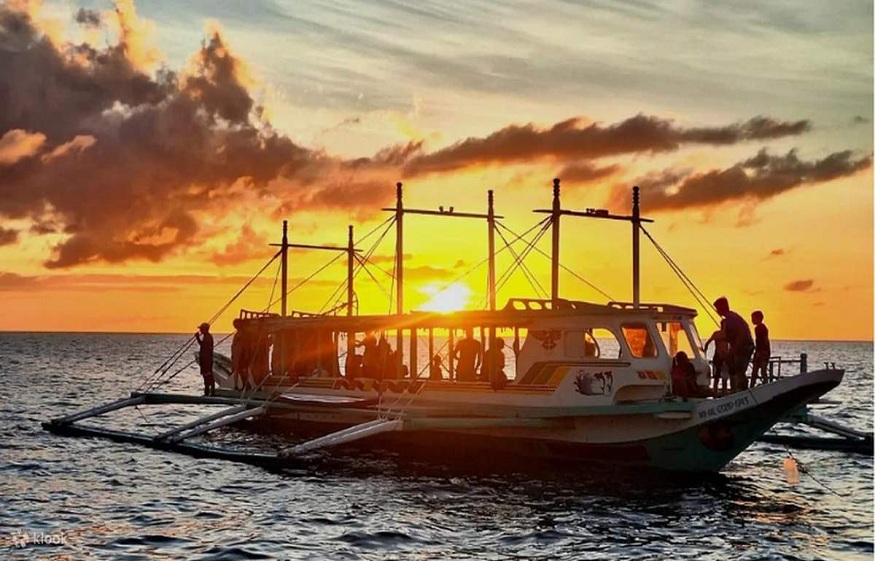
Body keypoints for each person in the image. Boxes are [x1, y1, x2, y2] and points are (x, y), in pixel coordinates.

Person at [713, 297, 755, 392]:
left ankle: (743, 390)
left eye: (717, 309)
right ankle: (739, 390)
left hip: (744, 347)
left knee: (739, 371)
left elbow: (739, 335)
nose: (716, 311)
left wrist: (733, 351)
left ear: (722, 308)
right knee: (737, 370)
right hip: (743, 346)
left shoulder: (730, 319)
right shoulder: (732, 317)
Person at [703, 326, 730, 393]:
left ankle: (724, 391)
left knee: (724, 377)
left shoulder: (729, 334)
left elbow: (732, 345)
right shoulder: (717, 334)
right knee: (716, 376)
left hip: (726, 357)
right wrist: (705, 352)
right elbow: (708, 342)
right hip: (718, 357)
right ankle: (715, 391)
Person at [750, 310, 771, 387]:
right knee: (757, 371)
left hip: (762, 352)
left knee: (760, 371)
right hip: (761, 351)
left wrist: (763, 351)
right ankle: (762, 385)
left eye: (753, 318)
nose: (752, 320)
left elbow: (764, 340)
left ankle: (756, 385)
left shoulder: (760, 328)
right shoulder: (759, 328)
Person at [195, 322, 215, 396]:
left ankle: (210, 392)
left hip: (206, 359)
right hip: (206, 358)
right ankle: (208, 391)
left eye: (201, 329)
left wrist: (197, 338)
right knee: (206, 375)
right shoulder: (207, 336)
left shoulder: (207, 337)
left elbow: (204, 346)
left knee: (208, 375)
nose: (200, 330)